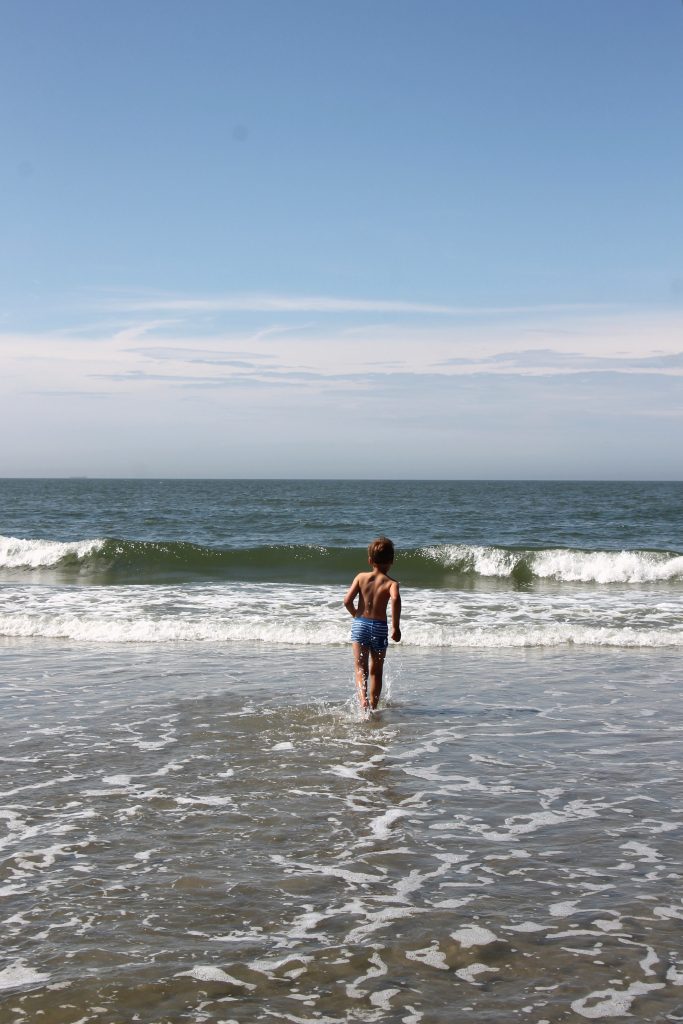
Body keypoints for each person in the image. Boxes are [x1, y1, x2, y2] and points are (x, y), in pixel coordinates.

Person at [343, 536, 401, 711]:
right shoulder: (392, 583)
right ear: (391, 561)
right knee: (376, 670)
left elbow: (347, 601)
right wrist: (396, 627)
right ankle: (374, 706)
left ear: (370, 560)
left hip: (360, 625)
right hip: (379, 628)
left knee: (360, 667)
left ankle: (363, 701)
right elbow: (396, 599)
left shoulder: (361, 577)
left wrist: (356, 616)